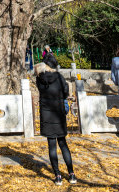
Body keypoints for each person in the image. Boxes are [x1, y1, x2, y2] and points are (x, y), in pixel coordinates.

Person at [35, 55, 77, 185]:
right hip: (58, 114)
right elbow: (65, 93)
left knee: (51, 145)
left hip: (46, 115)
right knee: (63, 143)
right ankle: (71, 174)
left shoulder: (39, 78)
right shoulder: (59, 77)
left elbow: (40, 91)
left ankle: (58, 175)